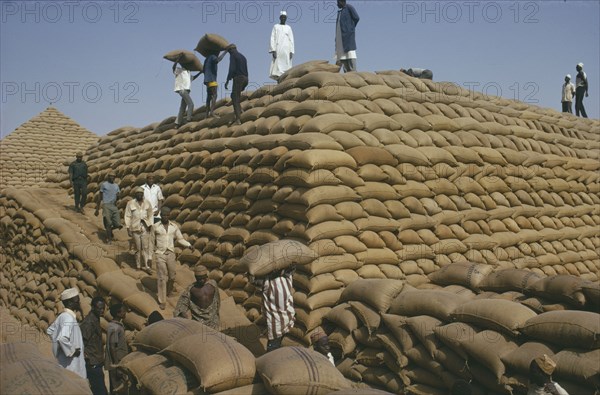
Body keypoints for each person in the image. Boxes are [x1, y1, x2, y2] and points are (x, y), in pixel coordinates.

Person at [151, 207, 192, 309]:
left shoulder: (174, 226)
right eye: (163, 215)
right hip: (160, 253)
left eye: (167, 215)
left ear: (170, 215)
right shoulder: (155, 227)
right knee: (161, 277)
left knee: (172, 276)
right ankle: (162, 300)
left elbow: (180, 238)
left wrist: (188, 245)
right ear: (160, 216)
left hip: (170, 253)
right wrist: (150, 255)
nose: (165, 216)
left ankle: (168, 291)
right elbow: (151, 241)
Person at [46, 288, 86, 379]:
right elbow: (62, 338)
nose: (79, 302)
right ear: (70, 303)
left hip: (64, 360)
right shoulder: (68, 318)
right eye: (77, 300)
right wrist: (71, 351)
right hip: (71, 364)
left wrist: (58, 348)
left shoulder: (63, 316)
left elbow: (50, 331)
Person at [253, 267, 295, 352]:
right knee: (275, 345)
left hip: (279, 321)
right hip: (283, 319)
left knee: (274, 346)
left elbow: (255, 281)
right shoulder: (286, 277)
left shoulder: (270, 281)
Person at [173, 264, 220, 329]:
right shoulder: (191, 289)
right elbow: (182, 303)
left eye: (203, 278)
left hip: (213, 322)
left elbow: (217, 300)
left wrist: (216, 314)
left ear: (206, 276)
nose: (201, 280)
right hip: (199, 322)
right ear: (195, 277)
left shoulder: (213, 285)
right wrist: (182, 313)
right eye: (199, 279)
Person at [80, 297, 108, 395]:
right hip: (92, 362)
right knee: (100, 390)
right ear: (92, 307)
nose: (101, 310)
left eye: (103, 308)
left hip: (96, 360)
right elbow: (82, 341)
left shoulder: (95, 319)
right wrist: (86, 357)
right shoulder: (89, 322)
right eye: (99, 308)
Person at [124, 187, 153, 273]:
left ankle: (147, 266)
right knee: (137, 248)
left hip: (145, 227)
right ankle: (138, 265)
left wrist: (150, 225)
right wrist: (128, 227)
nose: (139, 195)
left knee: (145, 247)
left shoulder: (147, 203)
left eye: (141, 193)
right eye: (138, 194)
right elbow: (127, 215)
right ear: (135, 195)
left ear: (143, 194)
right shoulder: (130, 203)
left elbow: (150, 214)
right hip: (135, 227)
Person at [173, 55, 202, 127]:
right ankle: (188, 120)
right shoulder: (180, 70)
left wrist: (200, 73)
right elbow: (173, 68)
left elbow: (193, 78)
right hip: (182, 90)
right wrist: (177, 60)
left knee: (183, 107)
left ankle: (177, 123)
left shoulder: (188, 72)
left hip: (187, 91)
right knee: (191, 104)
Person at [106, 304, 128, 394]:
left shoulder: (116, 326)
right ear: (118, 314)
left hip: (118, 362)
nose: (125, 312)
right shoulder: (115, 328)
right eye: (123, 311)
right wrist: (117, 366)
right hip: (117, 362)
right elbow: (112, 346)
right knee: (118, 389)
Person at [95, 172, 122, 244]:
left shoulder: (116, 186)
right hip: (106, 205)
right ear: (108, 177)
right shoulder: (104, 185)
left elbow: (118, 195)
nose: (111, 178)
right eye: (110, 176)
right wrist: (97, 209)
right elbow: (100, 197)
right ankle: (109, 239)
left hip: (113, 206)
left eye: (113, 177)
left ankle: (109, 230)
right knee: (108, 223)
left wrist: (118, 196)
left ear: (115, 178)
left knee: (118, 224)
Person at [225, 45, 249, 125]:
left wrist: (227, 80)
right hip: (246, 79)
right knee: (234, 95)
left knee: (235, 98)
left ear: (231, 50)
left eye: (229, 51)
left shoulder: (233, 56)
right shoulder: (242, 56)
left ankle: (238, 119)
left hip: (239, 79)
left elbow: (231, 69)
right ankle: (240, 109)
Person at [269, 10, 295, 81]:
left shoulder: (288, 28)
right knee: (277, 67)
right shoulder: (276, 26)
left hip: (287, 50)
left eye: (285, 17)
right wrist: (273, 50)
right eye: (282, 17)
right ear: (280, 18)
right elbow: (272, 38)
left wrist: (291, 51)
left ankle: (285, 80)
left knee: (286, 66)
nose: (283, 19)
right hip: (278, 49)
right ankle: (279, 80)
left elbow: (291, 40)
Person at [335, 0, 359, 73]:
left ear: (342, 1)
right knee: (342, 56)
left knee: (350, 54)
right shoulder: (340, 12)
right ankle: (347, 74)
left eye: (338, 2)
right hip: (340, 39)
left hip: (348, 37)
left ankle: (353, 73)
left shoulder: (349, 7)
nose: (337, 4)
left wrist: (350, 28)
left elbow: (356, 18)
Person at [203, 50, 228, 118]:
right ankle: (211, 112)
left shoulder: (206, 59)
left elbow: (203, 70)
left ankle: (206, 114)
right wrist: (225, 52)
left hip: (207, 81)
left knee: (208, 97)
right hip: (211, 79)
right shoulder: (213, 57)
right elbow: (217, 60)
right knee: (215, 95)